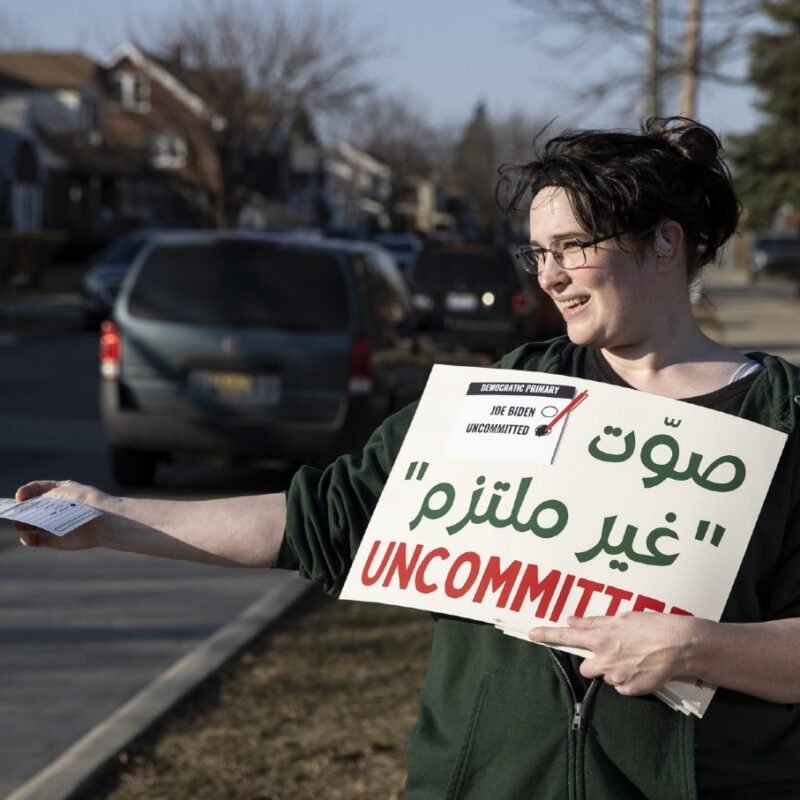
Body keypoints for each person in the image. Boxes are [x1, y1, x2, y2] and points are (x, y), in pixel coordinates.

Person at [15, 116, 800, 799]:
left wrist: (693, 647)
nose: (551, 275)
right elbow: (325, 517)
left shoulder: (782, 420)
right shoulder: (505, 394)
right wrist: (112, 517)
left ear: (665, 243)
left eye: (573, 247)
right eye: (537, 252)